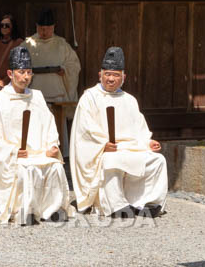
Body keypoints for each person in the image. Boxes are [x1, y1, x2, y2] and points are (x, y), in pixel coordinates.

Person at [71, 47, 167, 218]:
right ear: (100, 75)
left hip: (130, 148)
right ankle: (115, 205)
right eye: (107, 74)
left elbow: (140, 128)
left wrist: (148, 142)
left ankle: (145, 202)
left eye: (116, 75)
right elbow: (84, 130)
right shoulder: (89, 98)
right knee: (111, 160)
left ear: (124, 77)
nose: (111, 79)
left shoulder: (130, 100)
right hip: (107, 150)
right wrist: (102, 145)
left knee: (157, 160)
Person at [0, 46, 68, 225]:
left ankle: (49, 209)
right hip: (14, 156)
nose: (26, 77)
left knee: (55, 166)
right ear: (10, 74)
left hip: (38, 153)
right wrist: (12, 151)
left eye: (29, 72)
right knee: (25, 169)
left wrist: (52, 145)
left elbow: (49, 124)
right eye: (21, 72)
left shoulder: (37, 96)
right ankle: (24, 210)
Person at [25, 8, 81, 111]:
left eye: (47, 28)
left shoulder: (62, 44)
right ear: (37, 27)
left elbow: (74, 65)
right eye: (41, 28)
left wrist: (65, 70)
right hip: (34, 92)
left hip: (56, 93)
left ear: (53, 27)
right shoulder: (27, 44)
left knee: (57, 123)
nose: (44, 31)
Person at [0, 14, 24, 98]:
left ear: (12, 27)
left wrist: (5, 81)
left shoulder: (19, 43)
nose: (4, 27)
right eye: (2, 25)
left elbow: (19, 65)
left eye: (7, 25)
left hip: (13, 83)